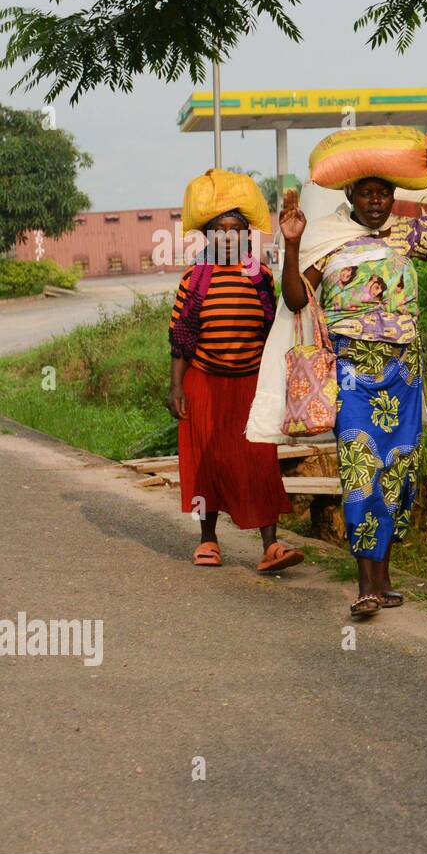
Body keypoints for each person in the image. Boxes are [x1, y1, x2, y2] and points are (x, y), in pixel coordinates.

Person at [278, 143, 427, 618]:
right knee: (360, 471)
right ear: (349, 193)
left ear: (392, 197)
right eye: (366, 193)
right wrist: (290, 243)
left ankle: (384, 578)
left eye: (383, 194)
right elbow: (292, 300)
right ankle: (366, 584)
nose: (375, 202)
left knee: (398, 471)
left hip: (404, 372)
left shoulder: (407, 234)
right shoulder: (327, 239)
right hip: (351, 372)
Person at [168, 169, 303, 573]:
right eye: (219, 231)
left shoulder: (259, 277)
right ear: (207, 238)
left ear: (247, 236)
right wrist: (176, 386)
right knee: (206, 464)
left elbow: (271, 330)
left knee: (259, 460)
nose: (228, 238)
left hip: (250, 384)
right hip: (204, 384)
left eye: (236, 230)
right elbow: (181, 337)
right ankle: (208, 541)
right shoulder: (194, 280)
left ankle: (271, 545)